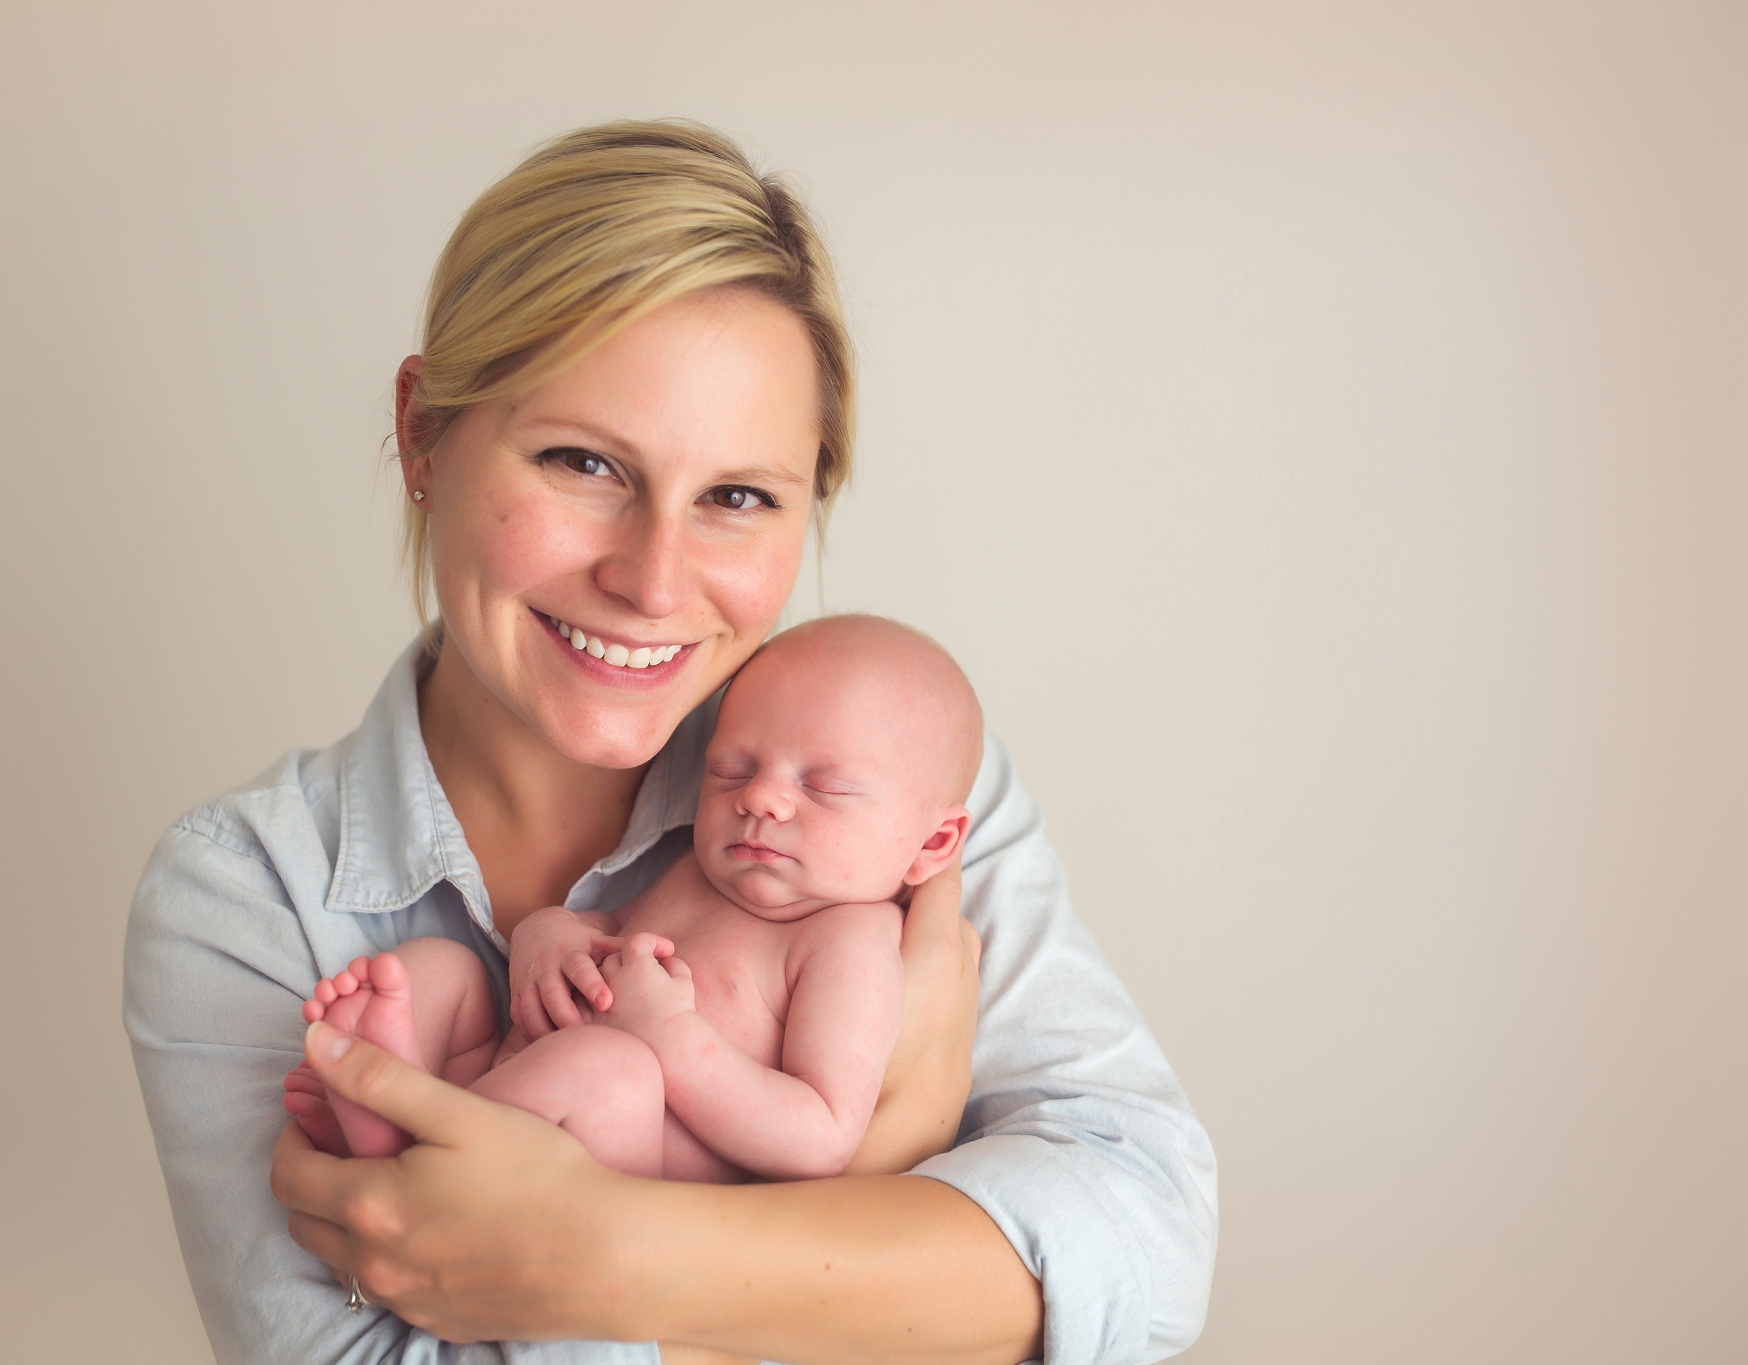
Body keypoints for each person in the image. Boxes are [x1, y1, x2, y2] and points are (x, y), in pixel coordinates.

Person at [124, 119, 1217, 1365]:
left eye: (736, 498)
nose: (652, 580)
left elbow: (1149, 1240)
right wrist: (890, 1213)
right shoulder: (248, 893)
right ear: (422, 433)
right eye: (583, 462)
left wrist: (613, 1259)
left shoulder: (890, 790)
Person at [283, 615, 982, 1184]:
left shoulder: (852, 942)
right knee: (441, 968)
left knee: (615, 1073)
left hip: (610, 1164)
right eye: (731, 770)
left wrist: (674, 1042)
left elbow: (822, 1130)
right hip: (509, 1072)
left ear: (933, 842)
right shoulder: (700, 871)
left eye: (822, 788)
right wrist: (551, 934)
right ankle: (392, 1091)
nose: (759, 799)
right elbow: (606, 930)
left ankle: (407, 1145)